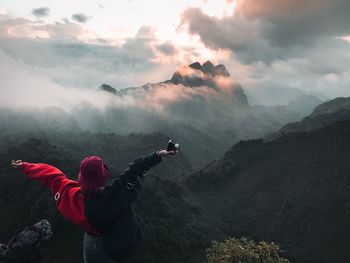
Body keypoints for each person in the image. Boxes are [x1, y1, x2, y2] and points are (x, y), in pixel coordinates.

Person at [11, 148, 177, 263]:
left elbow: (53, 176)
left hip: (95, 242)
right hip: (117, 241)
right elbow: (134, 171)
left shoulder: (72, 200)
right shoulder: (115, 196)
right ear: (103, 179)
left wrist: (26, 166)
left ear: (80, 179)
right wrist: (158, 155)